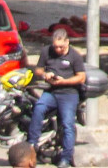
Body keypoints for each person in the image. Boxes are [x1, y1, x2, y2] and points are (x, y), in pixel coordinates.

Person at [31, 25, 87, 166]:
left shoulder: (75, 56)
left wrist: (64, 81)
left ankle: (66, 158)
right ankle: (32, 145)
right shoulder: (46, 52)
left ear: (67, 42)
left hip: (69, 93)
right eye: (55, 47)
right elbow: (37, 69)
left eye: (61, 47)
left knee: (68, 124)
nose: (58, 50)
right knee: (38, 109)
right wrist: (45, 74)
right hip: (51, 91)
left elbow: (81, 77)